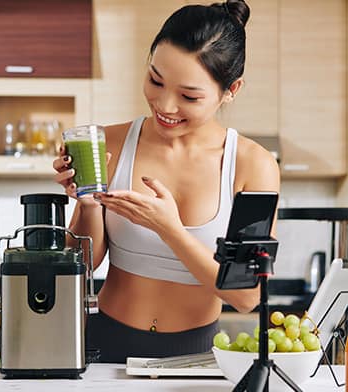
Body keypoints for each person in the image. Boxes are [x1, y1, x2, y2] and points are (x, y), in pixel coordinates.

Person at [53, 0, 280, 363]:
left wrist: (169, 229)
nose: (165, 105)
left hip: (195, 358)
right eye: (155, 80)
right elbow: (82, 266)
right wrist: (87, 204)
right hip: (102, 348)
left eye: (189, 96)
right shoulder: (108, 144)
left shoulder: (252, 165)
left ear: (232, 89)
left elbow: (246, 296)